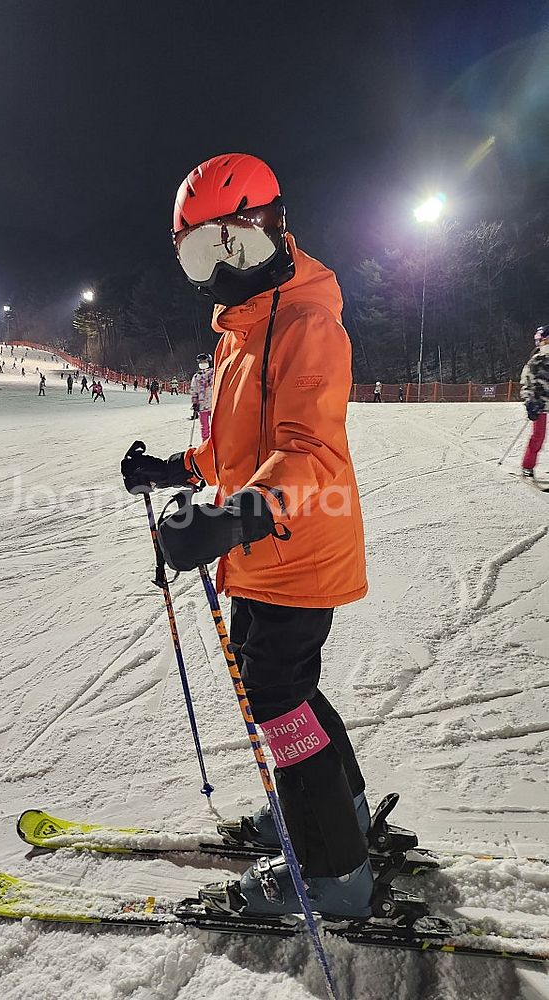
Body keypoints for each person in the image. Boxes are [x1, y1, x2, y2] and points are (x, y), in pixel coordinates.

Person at [120, 153, 395, 922]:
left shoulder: (307, 321)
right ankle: (340, 811)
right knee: (289, 690)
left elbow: (307, 451)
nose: (216, 272)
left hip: (295, 544)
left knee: (276, 697)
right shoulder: (242, 329)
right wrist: (177, 468)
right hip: (264, 545)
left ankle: (334, 872)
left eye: (225, 247)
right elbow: (239, 445)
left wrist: (233, 514)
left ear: (270, 223)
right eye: (197, 256)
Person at [519, 325, 549, 479]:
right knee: (538, 436)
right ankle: (527, 466)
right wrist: (530, 402)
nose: (540, 344)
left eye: (541, 340)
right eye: (538, 341)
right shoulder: (536, 361)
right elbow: (526, 384)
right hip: (540, 405)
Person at [190, 353, 214, 440]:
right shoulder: (197, 377)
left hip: (213, 405)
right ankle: (205, 445)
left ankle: (217, 445)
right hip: (202, 406)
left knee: (216, 428)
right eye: (201, 362)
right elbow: (194, 390)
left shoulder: (214, 374)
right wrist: (195, 403)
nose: (202, 363)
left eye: (204, 361)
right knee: (204, 428)